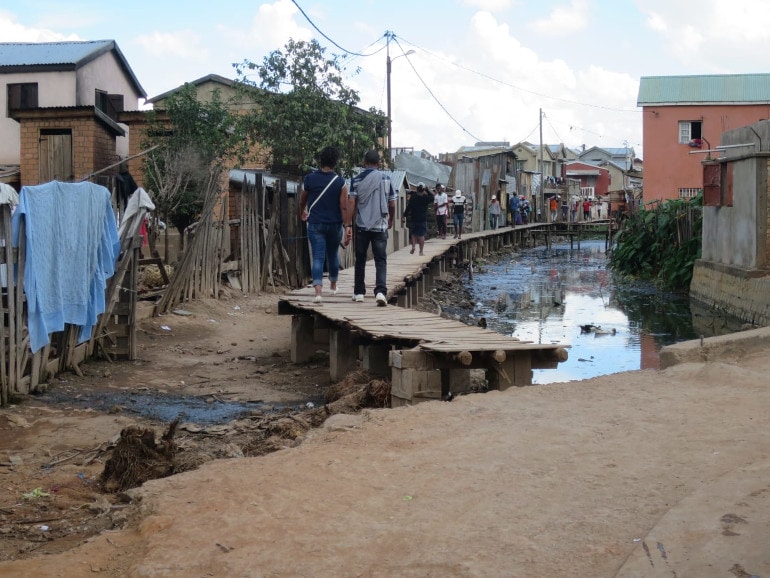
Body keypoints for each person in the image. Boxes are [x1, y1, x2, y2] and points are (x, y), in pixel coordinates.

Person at [345, 149, 396, 306]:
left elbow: (352, 203)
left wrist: (348, 224)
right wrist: (391, 220)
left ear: (363, 163)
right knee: (380, 260)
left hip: (362, 226)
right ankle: (380, 292)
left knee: (360, 259)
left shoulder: (356, 180)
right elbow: (392, 203)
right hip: (380, 226)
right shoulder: (386, 179)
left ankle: (359, 292)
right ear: (379, 164)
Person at [299, 146, 347, 304]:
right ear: (335, 162)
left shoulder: (310, 179)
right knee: (333, 254)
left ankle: (318, 293)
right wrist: (347, 226)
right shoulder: (340, 182)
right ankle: (333, 287)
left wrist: (302, 211)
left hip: (315, 224)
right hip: (334, 224)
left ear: (321, 160)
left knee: (318, 257)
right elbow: (343, 206)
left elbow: (303, 199)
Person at [402, 182, 433, 255]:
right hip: (422, 218)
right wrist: (428, 190)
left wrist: (404, 216)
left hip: (414, 218)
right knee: (421, 235)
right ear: (423, 189)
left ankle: (413, 246)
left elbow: (408, 207)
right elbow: (432, 197)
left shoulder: (413, 197)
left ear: (417, 188)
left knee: (414, 233)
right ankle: (421, 251)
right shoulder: (425, 197)